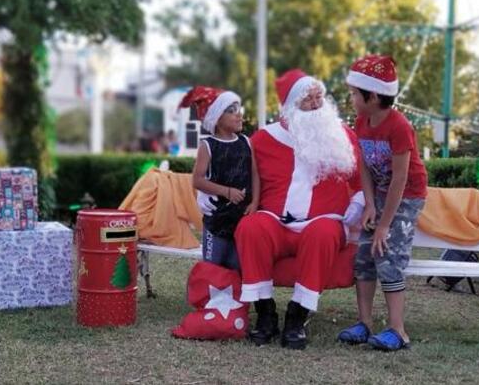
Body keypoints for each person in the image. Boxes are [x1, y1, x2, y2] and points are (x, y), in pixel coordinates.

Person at [216, 69, 365, 350]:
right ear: (291, 105)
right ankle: (265, 312)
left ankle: (298, 315)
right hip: (276, 221)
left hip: (325, 221)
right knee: (251, 227)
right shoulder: (263, 139)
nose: (317, 104)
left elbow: (360, 184)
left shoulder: (343, 136)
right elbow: (239, 176)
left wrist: (357, 207)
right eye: (308, 99)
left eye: (319, 96)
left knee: (321, 233)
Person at [337, 54, 428, 352]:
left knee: (386, 255)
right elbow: (364, 163)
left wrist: (385, 225)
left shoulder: (399, 127)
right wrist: (369, 204)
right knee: (364, 256)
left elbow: (400, 180)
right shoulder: (363, 120)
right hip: (378, 195)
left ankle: (398, 331)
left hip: (406, 196)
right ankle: (364, 324)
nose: (350, 98)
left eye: (354, 93)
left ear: (373, 96)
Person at [180, 87, 259, 270]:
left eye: (239, 110)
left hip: (242, 217)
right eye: (231, 111)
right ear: (216, 118)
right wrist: (227, 191)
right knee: (214, 264)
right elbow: (197, 180)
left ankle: (235, 299)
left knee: (237, 265)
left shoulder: (246, 142)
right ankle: (210, 297)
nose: (238, 115)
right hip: (218, 218)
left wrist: (255, 202)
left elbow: (254, 173)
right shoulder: (207, 146)